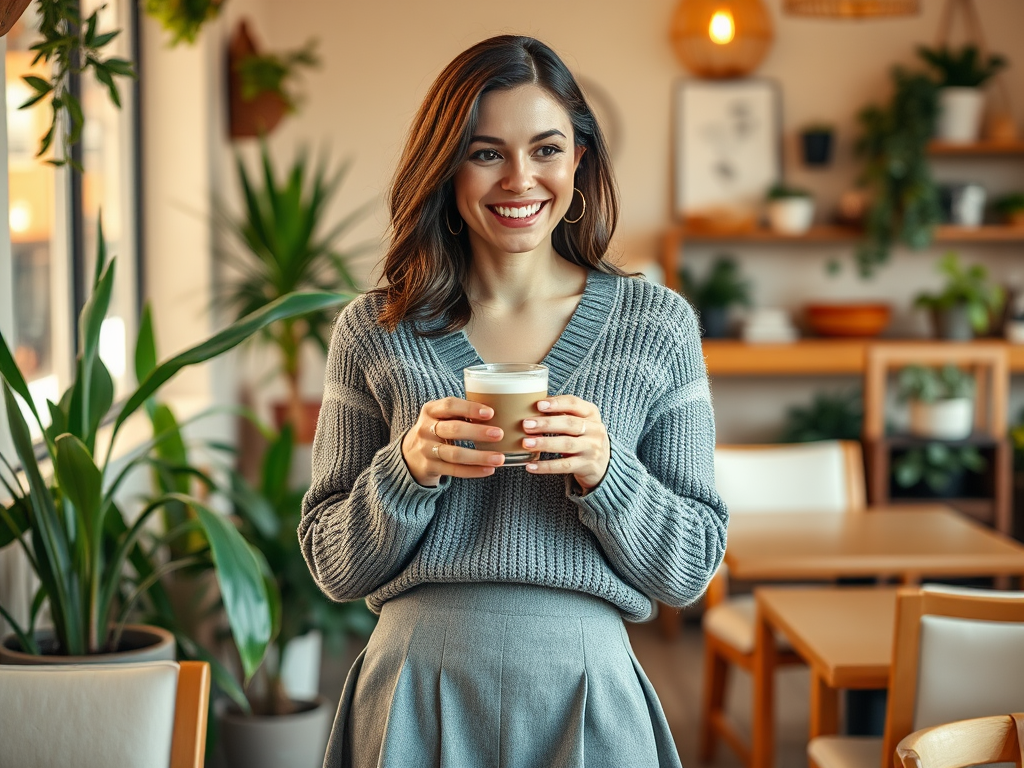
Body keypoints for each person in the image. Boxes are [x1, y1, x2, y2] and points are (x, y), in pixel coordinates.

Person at [300, 34, 728, 768]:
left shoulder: (659, 326)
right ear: (446, 166)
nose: (520, 179)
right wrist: (407, 469)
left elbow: (690, 568)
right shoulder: (374, 330)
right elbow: (334, 565)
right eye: (486, 151)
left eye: (547, 149)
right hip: (416, 688)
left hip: (587, 689)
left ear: (579, 161)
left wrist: (608, 473)